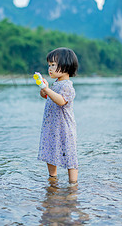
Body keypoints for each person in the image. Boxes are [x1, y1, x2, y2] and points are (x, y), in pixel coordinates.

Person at [37, 47, 79, 184]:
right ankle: (52, 178)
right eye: (49, 65)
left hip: (64, 128)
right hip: (52, 127)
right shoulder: (56, 84)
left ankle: (73, 183)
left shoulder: (67, 86)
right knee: (50, 151)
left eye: (53, 65)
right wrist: (44, 91)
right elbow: (49, 97)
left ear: (66, 66)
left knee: (69, 154)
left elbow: (61, 101)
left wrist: (47, 89)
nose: (50, 68)